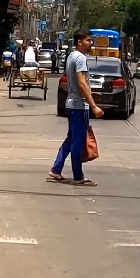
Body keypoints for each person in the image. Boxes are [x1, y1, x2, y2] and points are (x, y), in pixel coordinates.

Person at [51, 30, 102, 185]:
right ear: (80, 42)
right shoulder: (80, 58)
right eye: (88, 40)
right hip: (79, 106)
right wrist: (93, 105)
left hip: (72, 104)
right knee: (77, 142)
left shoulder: (72, 56)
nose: (91, 43)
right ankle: (78, 176)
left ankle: (56, 169)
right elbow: (82, 82)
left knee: (71, 139)